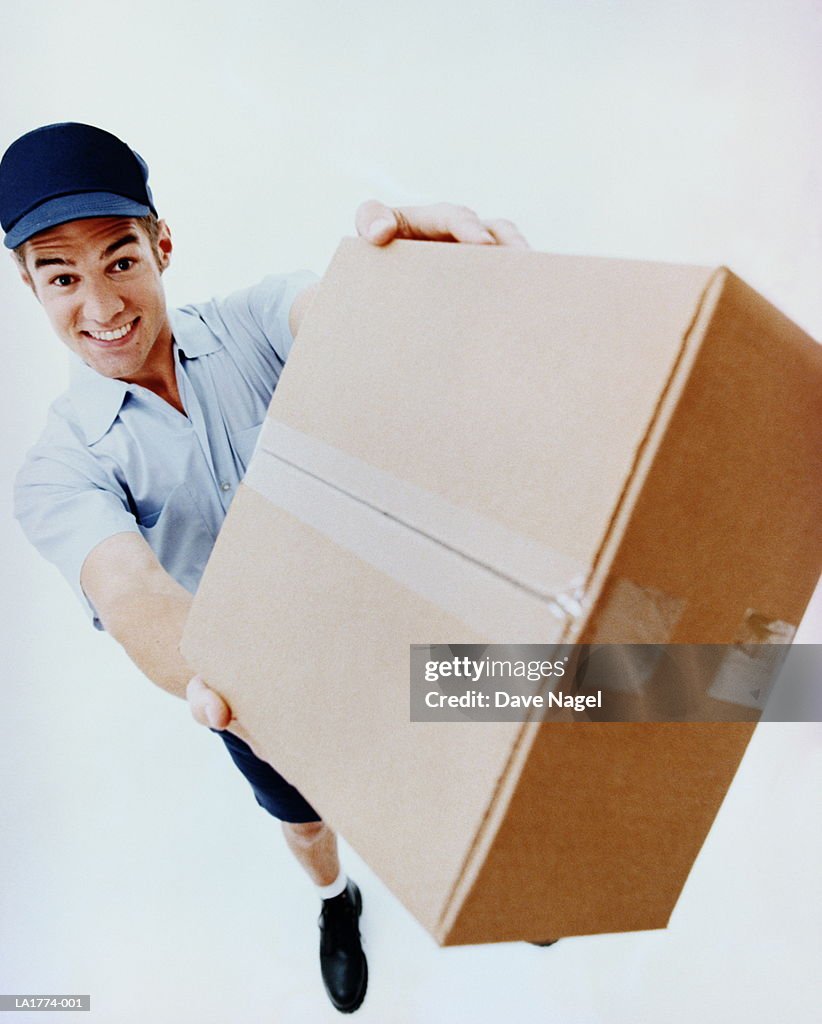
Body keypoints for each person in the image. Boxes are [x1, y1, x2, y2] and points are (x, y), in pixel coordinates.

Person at [0, 122, 529, 1014]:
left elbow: (345, 316)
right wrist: (234, 678)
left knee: (457, 755)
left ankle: (498, 880)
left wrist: (428, 291)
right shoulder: (59, 471)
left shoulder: (255, 322)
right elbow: (133, 595)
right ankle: (336, 903)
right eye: (62, 276)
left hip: (380, 618)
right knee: (307, 818)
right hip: (251, 690)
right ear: (29, 285)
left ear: (162, 244)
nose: (99, 306)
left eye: (119, 260)